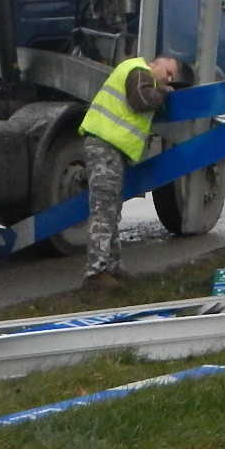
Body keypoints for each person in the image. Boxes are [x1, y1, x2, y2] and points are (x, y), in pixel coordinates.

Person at [77, 53, 181, 290]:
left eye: (172, 77)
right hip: (105, 146)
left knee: (111, 210)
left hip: (111, 149)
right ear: (155, 64)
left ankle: (112, 268)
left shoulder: (140, 74)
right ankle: (95, 274)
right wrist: (165, 93)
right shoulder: (138, 70)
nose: (169, 79)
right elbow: (142, 101)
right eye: (168, 72)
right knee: (104, 209)